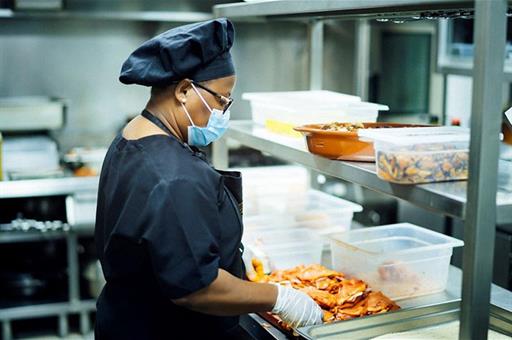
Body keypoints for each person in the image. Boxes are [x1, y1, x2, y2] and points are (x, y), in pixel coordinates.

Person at [94, 18, 323, 339]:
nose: (224, 112)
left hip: (126, 319)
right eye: (222, 99)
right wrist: (280, 298)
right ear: (185, 91)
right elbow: (196, 288)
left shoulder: (131, 137)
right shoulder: (176, 176)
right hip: (167, 330)